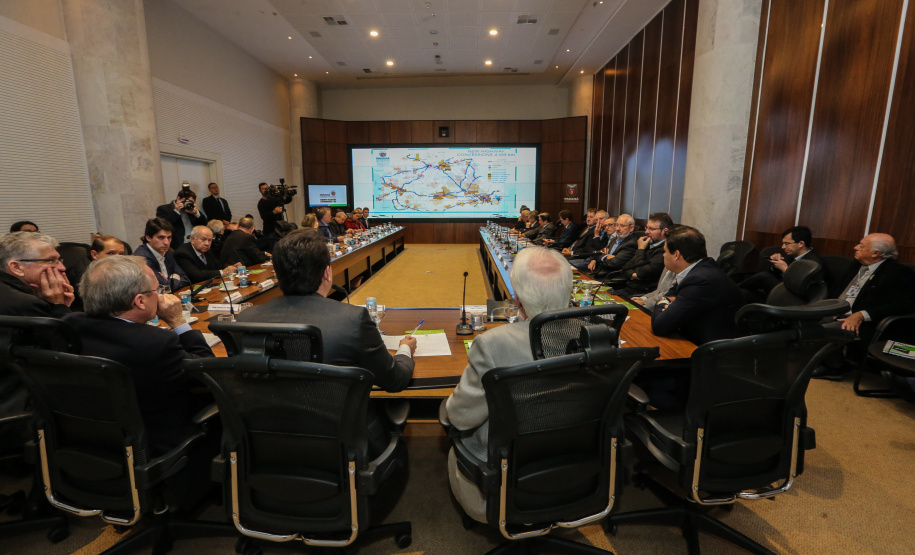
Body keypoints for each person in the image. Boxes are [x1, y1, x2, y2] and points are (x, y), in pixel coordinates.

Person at [235, 228, 417, 457]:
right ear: (328, 273)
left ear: (277, 274)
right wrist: (404, 350)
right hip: (342, 447)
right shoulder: (353, 319)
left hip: (266, 446)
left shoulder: (246, 320)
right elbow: (395, 380)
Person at [443, 246, 573, 523]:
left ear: (517, 298)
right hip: (574, 462)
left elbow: (462, 417)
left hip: (505, 468)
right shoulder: (596, 335)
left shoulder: (493, 343)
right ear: (569, 292)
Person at [62, 255, 214, 456]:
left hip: (84, 443)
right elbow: (208, 372)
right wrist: (178, 321)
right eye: (156, 290)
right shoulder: (156, 343)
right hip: (154, 445)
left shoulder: (68, 326)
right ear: (140, 301)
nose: (160, 296)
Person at [814, 233, 915, 379]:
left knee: (825, 326)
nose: (855, 247)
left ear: (876, 253)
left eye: (861, 246)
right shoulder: (856, 265)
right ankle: (820, 361)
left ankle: (835, 367)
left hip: (867, 321)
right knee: (805, 317)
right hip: (838, 309)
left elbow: (902, 305)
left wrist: (861, 315)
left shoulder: (897, 273)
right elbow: (839, 291)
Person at [650, 225, 743, 345]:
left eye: (665, 251)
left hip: (709, 350)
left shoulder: (699, 280)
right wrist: (669, 302)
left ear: (676, 255)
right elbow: (671, 295)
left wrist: (662, 301)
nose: (663, 255)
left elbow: (660, 326)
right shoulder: (700, 268)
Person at [739, 226, 825, 303]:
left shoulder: (814, 264)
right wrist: (776, 265)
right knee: (744, 294)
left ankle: (731, 289)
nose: (783, 247)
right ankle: (733, 291)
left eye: (787, 244)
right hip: (781, 292)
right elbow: (774, 276)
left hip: (796, 300)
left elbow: (805, 291)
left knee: (763, 276)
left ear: (801, 244)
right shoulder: (793, 256)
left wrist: (786, 270)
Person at [0, 231, 73, 317]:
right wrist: (59, 306)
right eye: (51, 260)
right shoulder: (29, 304)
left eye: (58, 260)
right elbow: (63, 330)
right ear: (17, 268)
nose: (62, 267)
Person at [611, 212, 674, 296]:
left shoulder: (665, 251)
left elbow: (641, 273)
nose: (647, 232)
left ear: (664, 231)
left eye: (651, 229)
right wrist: (634, 274)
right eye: (647, 228)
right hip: (628, 289)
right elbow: (626, 267)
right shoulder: (647, 244)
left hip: (642, 294)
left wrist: (640, 249)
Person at [134, 218, 191, 292]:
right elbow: (164, 286)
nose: (166, 242)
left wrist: (170, 281)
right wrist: (175, 278)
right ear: (148, 237)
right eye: (161, 238)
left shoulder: (168, 252)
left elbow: (186, 279)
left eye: (169, 237)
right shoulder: (142, 257)